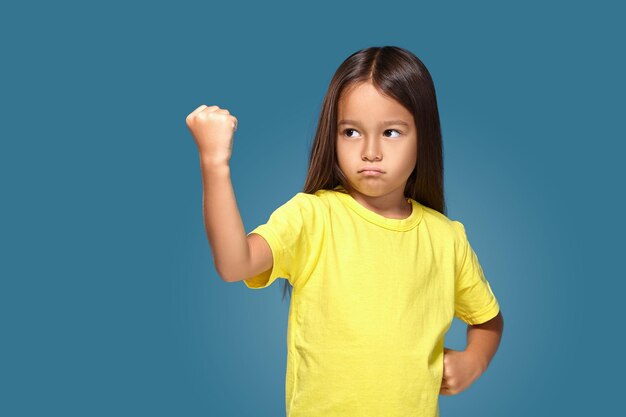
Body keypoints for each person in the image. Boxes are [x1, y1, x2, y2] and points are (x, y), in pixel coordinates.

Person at [185, 45, 504, 417]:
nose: (371, 151)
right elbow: (234, 264)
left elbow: (487, 319)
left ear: (423, 137)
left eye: (391, 132)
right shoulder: (312, 217)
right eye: (351, 132)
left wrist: (474, 361)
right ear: (332, 137)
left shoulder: (446, 238)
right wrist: (214, 163)